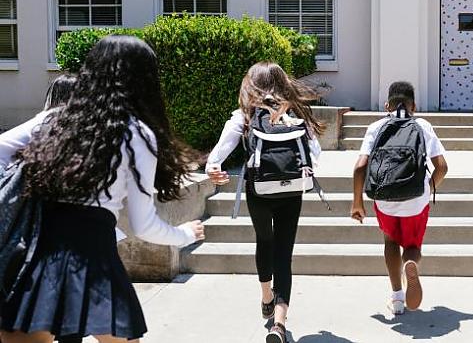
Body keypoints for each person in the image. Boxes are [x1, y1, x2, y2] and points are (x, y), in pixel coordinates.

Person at [0, 35, 205, 343]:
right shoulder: (136, 133)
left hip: (38, 254)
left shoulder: (54, 119)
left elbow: (2, 150)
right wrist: (186, 234)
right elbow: (144, 225)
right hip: (95, 255)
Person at [205, 62, 325, 343]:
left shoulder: (244, 116)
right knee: (284, 252)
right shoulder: (296, 114)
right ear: (283, 83)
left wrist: (213, 167)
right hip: (291, 191)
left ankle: (266, 296)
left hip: (258, 190)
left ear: (251, 84)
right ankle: (279, 325)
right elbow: (315, 156)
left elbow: (220, 152)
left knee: (264, 240)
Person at [350, 81, 448, 315]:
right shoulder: (422, 125)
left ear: (387, 105)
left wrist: (357, 203)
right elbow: (442, 167)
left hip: (384, 199)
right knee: (412, 246)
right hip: (416, 200)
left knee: (390, 242)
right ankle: (410, 263)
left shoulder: (376, 126)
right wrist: (427, 187)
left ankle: (396, 297)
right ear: (414, 105)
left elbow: (359, 167)